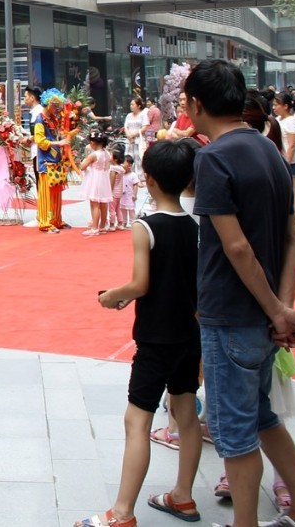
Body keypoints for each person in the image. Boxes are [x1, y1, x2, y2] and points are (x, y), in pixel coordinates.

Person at [184, 59, 295, 527]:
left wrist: (275, 309)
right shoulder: (269, 150)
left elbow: (236, 247)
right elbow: (292, 237)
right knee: (263, 415)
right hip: (264, 319)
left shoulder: (212, 157)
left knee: (234, 432)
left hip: (231, 315)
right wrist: (282, 309)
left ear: (196, 103)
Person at [79, 139, 203, 527]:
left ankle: (121, 513)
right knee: (185, 414)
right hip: (189, 334)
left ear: (147, 180)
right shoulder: (198, 226)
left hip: (156, 338)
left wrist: (112, 296)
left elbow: (140, 283)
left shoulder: (145, 226)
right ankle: (183, 496)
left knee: (138, 421)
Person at [33, 90, 72, 233]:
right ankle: (45, 222)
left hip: (55, 161)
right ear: (49, 103)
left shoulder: (53, 119)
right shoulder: (39, 120)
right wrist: (58, 143)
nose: (57, 109)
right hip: (45, 163)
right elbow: (40, 142)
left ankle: (56, 219)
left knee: (56, 192)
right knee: (46, 194)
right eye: (55, 105)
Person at [79, 132, 112, 236]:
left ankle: (94, 227)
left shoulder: (94, 155)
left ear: (92, 143)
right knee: (103, 203)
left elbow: (82, 166)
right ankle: (102, 226)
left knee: (95, 204)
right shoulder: (107, 154)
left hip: (95, 179)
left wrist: (84, 160)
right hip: (104, 178)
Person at [275, 91, 295, 218]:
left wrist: (286, 162)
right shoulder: (277, 120)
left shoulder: (291, 121)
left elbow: (292, 145)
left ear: (285, 106)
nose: (274, 107)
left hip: (288, 162)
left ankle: (294, 218)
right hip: (279, 160)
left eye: (277, 105)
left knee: (293, 192)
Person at [124, 98, 148, 165]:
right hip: (129, 140)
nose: (131, 106)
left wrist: (133, 135)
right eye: (130, 104)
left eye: (132, 104)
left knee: (139, 160)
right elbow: (126, 127)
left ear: (138, 106)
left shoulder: (143, 115)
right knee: (128, 158)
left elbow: (144, 127)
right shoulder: (128, 115)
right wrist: (129, 136)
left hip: (138, 140)